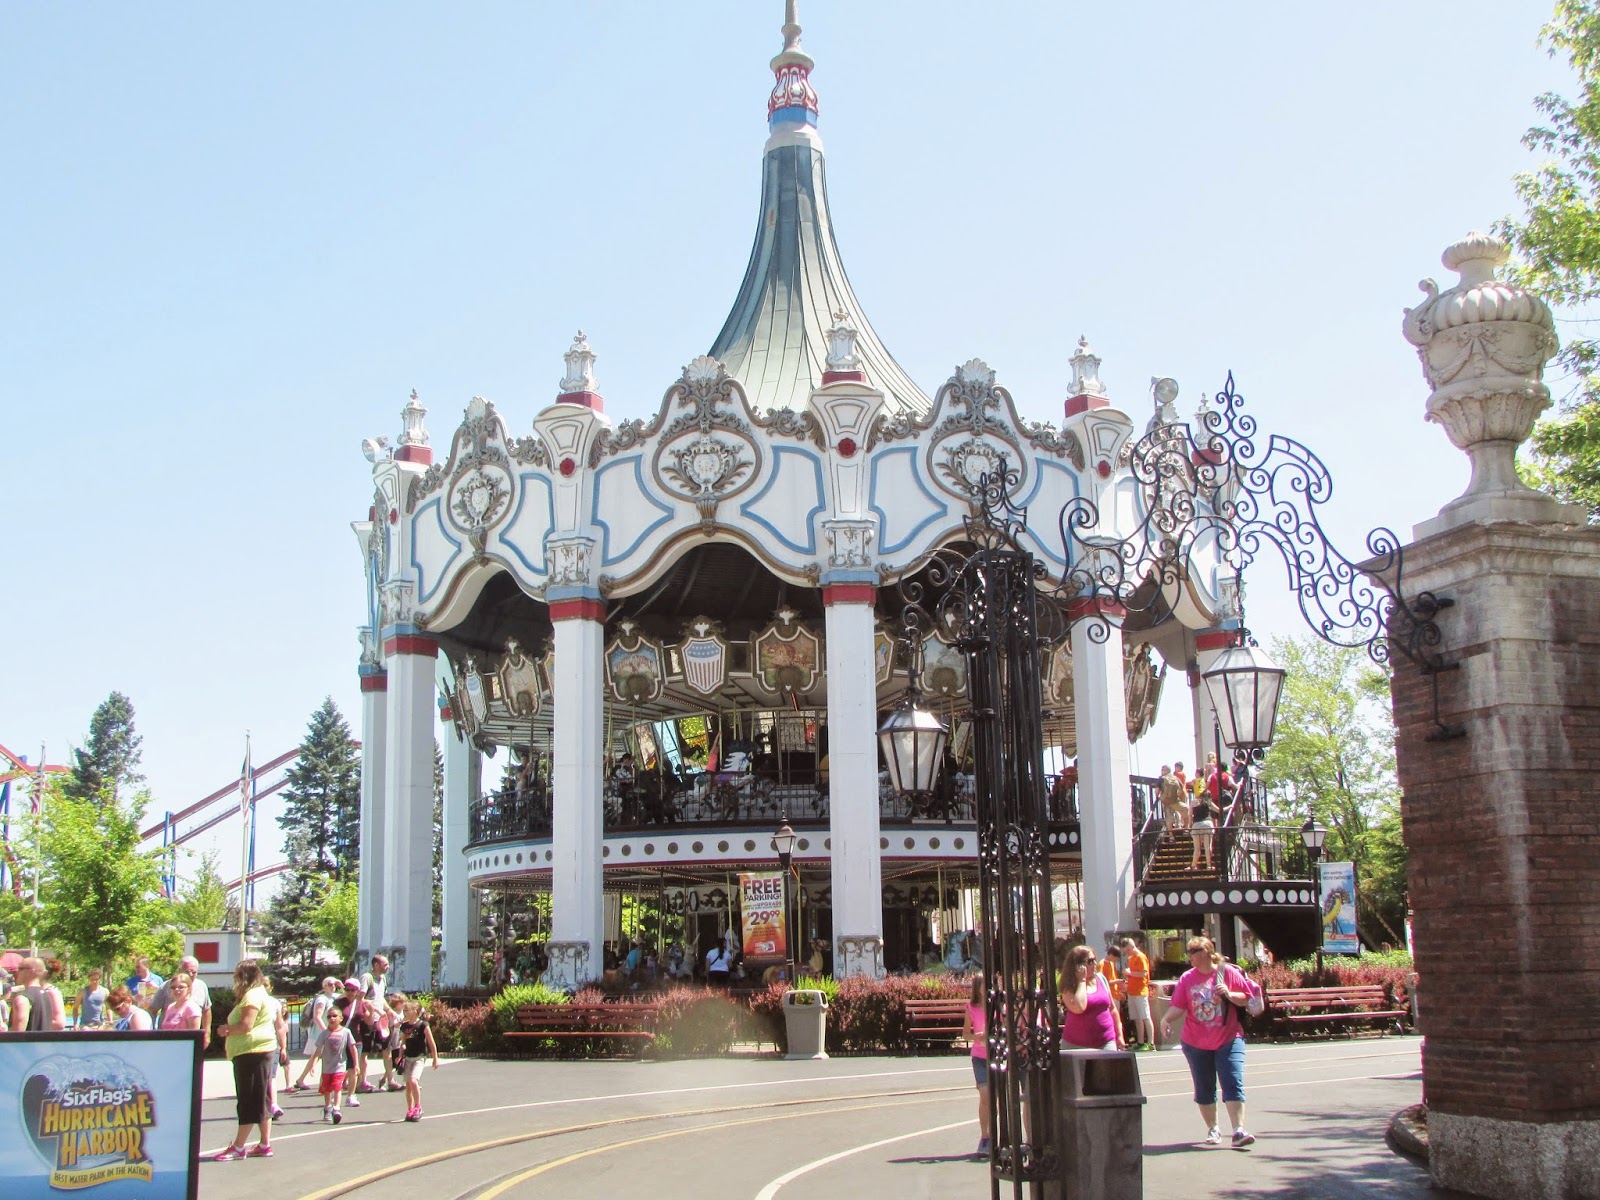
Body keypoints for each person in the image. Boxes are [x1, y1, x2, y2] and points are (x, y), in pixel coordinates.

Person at [1160, 936, 1260, 1148]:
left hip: (1228, 1037)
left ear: (1206, 952)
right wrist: (1165, 1019)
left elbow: (1246, 998)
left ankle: (1238, 1130)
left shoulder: (1227, 972)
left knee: (1232, 1080)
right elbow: (1179, 1006)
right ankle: (1213, 1128)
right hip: (1196, 1041)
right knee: (1204, 1087)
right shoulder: (1187, 978)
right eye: (1189, 952)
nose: (1190, 956)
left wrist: (1229, 994)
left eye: (1194, 951)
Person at [1062, 945, 1124, 1051]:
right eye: (1090, 961)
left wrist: (1119, 1036)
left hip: (1106, 1041)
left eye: (1095, 960)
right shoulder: (1069, 987)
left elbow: (1112, 1009)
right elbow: (1079, 1007)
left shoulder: (1101, 978)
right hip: (1076, 1045)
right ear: (1078, 965)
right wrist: (1082, 981)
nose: (1095, 964)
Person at [961, 974, 992, 1157]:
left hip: (996, 1055)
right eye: (983, 984)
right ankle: (985, 1136)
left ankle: (997, 1136)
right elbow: (965, 1034)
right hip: (979, 1056)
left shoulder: (996, 1006)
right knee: (985, 1095)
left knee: (995, 1099)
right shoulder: (971, 1008)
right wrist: (977, 1037)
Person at [151, 956, 212, 1048]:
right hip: (166, 1044)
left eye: (194, 972)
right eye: (187, 971)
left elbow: (206, 1010)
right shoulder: (166, 991)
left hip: (184, 1047)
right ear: (180, 970)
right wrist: (152, 1033)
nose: (191, 974)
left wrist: (207, 1033)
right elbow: (152, 1010)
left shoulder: (200, 990)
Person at [292, 977, 340, 1091]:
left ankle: (302, 1079)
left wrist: (341, 985)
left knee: (317, 1057)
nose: (333, 986)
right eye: (330, 984)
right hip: (320, 1033)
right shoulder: (322, 999)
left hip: (326, 1032)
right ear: (324, 987)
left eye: (334, 984)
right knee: (318, 1057)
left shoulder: (334, 997)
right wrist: (326, 1032)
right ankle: (320, 1083)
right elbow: (317, 1017)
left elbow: (348, 995)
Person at [397, 997, 439, 1121]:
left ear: (415, 1011)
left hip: (419, 1057)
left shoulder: (422, 1025)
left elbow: (431, 1042)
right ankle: (410, 1108)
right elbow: (403, 1042)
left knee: (414, 1080)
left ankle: (418, 1106)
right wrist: (400, 1054)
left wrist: (435, 1058)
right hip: (408, 1057)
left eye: (407, 1010)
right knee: (408, 1085)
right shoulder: (404, 1026)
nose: (405, 1013)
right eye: (404, 1010)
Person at [356, 955, 390, 1094]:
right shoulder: (367, 977)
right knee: (364, 1052)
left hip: (380, 1020)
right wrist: (374, 1010)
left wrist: (390, 1011)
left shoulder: (383, 979)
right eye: (385, 964)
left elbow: (381, 999)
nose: (388, 967)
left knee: (386, 1049)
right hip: (367, 1020)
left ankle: (390, 1080)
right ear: (376, 965)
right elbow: (360, 999)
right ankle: (361, 1082)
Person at [8, 957, 67, 1031]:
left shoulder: (23, 998)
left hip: (27, 1042)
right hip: (43, 1041)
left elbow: (17, 1035)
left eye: (20, 968)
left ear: (31, 971)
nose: (16, 972)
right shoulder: (46, 995)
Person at [318, 1008, 354, 1124]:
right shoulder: (324, 1034)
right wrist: (313, 1065)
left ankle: (336, 1108)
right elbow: (318, 1051)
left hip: (340, 1066)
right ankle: (327, 1107)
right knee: (327, 1090)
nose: (331, 1018)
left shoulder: (346, 1032)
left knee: (337, 1087)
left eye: (334, 1016)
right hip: (327, 1067)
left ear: (341, 1018)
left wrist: (356, 1064)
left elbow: (352, 1048)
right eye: (329, 1017)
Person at [1121, 937, 1155, 1050]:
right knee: (1137, 1018)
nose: (1127, 953)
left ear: (1132, 946)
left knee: (1145, 1016)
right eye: (1126, 952)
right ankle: (1140, 1042)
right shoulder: (1131, 958)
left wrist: (1130, 973)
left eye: (1128, 950)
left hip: (1140, 991)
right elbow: (1134, 974)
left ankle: (1150, 1043)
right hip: (1132, 991)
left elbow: (1143, 974)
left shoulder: (1141, 957)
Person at [1190, 784, 1218, 870]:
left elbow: (1190, 814)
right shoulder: (1209, 802)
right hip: (1207, 824)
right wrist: (1230, 807)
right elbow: (1219, 810)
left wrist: (1189, 825)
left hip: (1196, 825)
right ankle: (1209, 865)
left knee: (1197, 848)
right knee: (1207, 846)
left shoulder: (1194, 801)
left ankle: (1193, 865)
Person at [1159, 764, 1188, 831]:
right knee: (1186, 810)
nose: (1161, 771)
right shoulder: (1175, 778)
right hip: (1175, 801)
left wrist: (1160, 798)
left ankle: (1171, 836)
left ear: (1165, 770)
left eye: (1162, 770)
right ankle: (1185, 828)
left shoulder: (1161, 779)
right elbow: (1181, 788)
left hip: (1166, 802)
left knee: (1169, 818)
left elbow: (1157, 791)